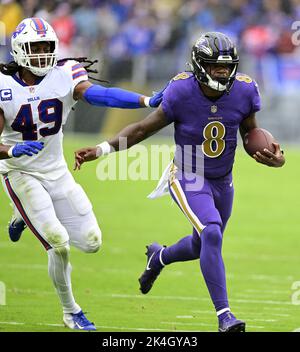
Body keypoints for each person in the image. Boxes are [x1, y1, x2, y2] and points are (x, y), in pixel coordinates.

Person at [74, 32, 285, 332]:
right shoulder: (182, 90)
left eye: (227, 67)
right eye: (215, 66)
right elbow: (142, 130)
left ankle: (158, 257)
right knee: (212, 232)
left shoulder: (245, 90)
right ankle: (225, 316)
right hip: (187, 174)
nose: (223, 72)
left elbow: (252, 134)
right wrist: (101, 149)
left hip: (223, 179)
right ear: (200, 65)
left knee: (202, 244)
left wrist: (276, 157)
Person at [0, 17, 165, 331]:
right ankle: (71, 311)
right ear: (19, 50)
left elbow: (99, 95)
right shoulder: (3, 86)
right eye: (35, 49)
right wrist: (10, 151)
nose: (42, 55)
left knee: (92, 242)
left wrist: (144, 101)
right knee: (59, 243)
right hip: (19, 173)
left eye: (47, 47)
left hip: (56, 171)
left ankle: (21, 216)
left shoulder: (64, 73)